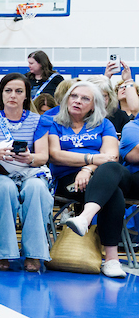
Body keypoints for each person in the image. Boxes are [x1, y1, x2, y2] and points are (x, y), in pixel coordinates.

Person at [47, 81, 125, 278]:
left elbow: (111, 156)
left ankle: (84, 218)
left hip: (97, 174)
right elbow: (55, 155)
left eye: (85, 98)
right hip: (66, 180)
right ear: (66, 99)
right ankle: (112, 260)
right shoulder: (54, 122)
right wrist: (90, 158)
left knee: (111, 170)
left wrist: (87, 169)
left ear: (93, 105)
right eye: (74, 96)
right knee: (113, 193)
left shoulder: (104, 124)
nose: (77, 101)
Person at [0, 72, 52, 273]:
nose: (13, 95)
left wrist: (30, 158)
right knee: (5, 188)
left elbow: (43, 156)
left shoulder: (38, 121)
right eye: (8, 91)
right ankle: (3, 251)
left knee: (37, 188)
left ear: (26, 95)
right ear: (1, 94)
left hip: (29, 171)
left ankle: (34, 252)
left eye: (19, 91)